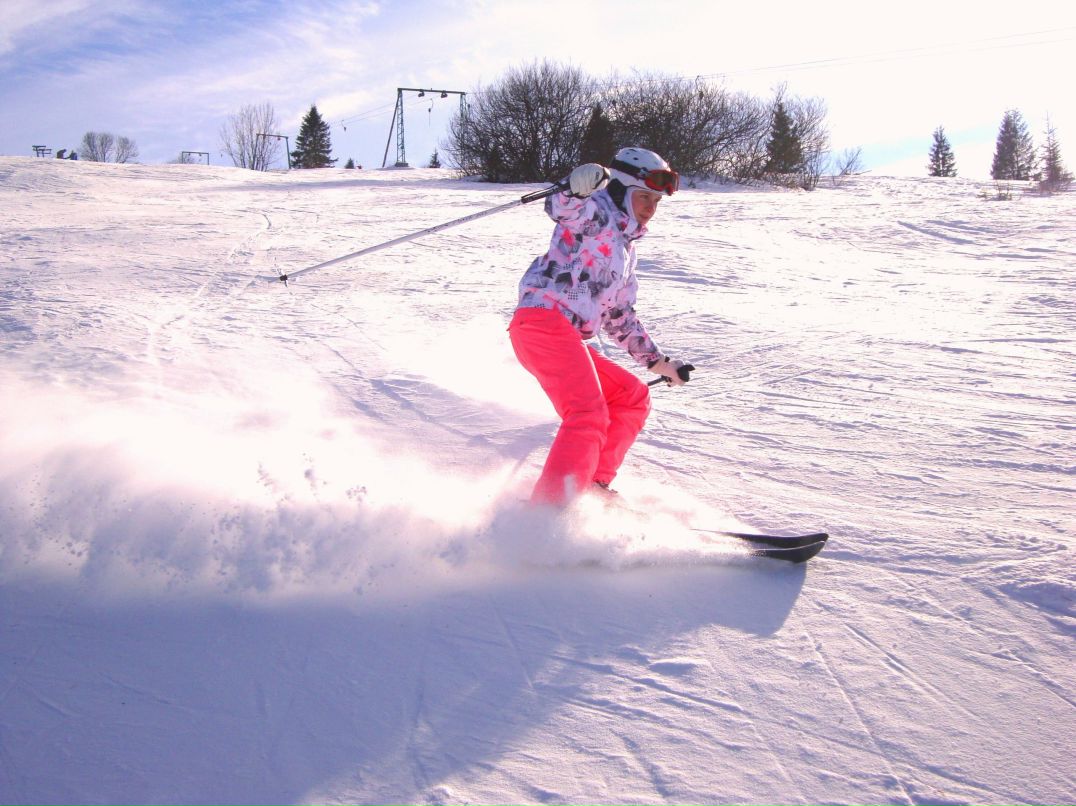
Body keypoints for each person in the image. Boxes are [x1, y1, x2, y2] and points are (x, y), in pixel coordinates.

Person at [509, 146, 693, 506]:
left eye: (656, 201)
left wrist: (659, 363)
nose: (650, 208)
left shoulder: (625, 250)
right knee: (588, 414)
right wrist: (574, 188)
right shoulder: (597, 215)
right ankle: (549, 513)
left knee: (631, 398)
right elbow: (566, 209)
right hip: (542, 321)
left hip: (564, 336)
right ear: (621, 190)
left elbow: (619, 315)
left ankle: (590, 488)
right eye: (644, 197)